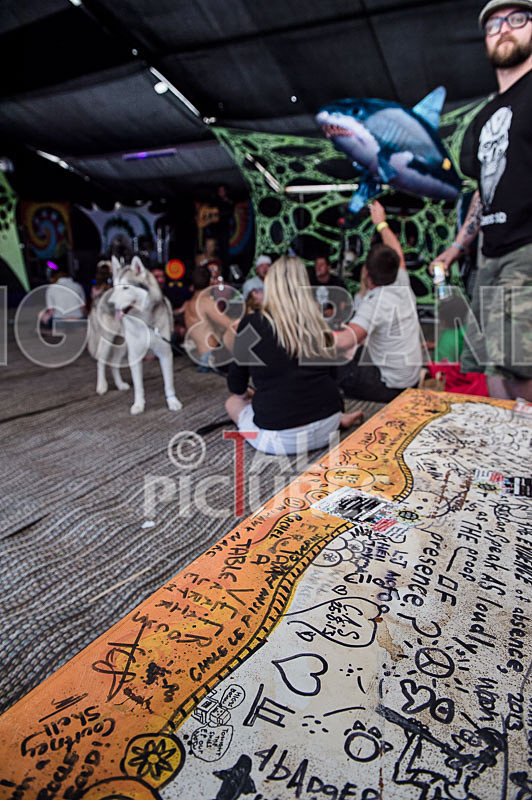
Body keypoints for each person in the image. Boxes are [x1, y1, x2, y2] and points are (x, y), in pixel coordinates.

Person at [432, 0, 532, 401]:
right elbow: (484, 189)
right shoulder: (483, 116)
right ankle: (501, 456)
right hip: (488, 257)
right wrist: (455, 248)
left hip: (526, 251)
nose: (503, 28)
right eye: (493, 24)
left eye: (518, 18)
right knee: (492, 365)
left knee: (523, 368)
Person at [225, 255, 363, 455]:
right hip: (328, 425)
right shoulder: (319, 323)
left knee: (233, 403)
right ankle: (340, 418)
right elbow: (333, 375)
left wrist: (248, 393)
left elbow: (236, 386)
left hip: (281, 438)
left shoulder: (252, 323)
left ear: (271, 285)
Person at [335, 210, 422, 402]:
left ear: (367, 274)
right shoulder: (401, 283)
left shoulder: (374, 303)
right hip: (411, 378)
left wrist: (308, 334)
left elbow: (345, 341)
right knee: (356, 353)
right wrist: (381, 223)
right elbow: (396, 250)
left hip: (391, 386)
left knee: (334, 362)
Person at [184, 264, 237, 372]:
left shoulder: (189, 304)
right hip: (211, 357)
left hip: (201, 356)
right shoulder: (206, 301)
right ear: (210, 281)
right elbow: (231, 325)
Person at [308, 254, 348, 321]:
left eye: (321, 265)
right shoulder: (310, 283)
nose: (318, 267)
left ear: (328, 267)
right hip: (313, 320)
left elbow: (343, 306)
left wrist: (335, 312)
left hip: (333, 321)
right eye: (317, 265)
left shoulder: (338, 284)